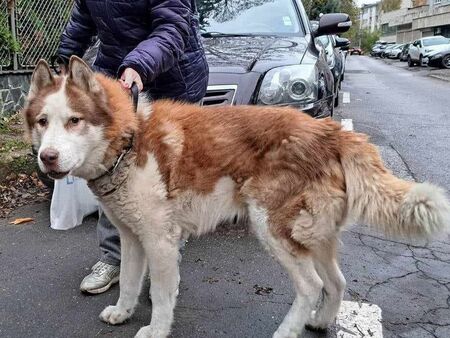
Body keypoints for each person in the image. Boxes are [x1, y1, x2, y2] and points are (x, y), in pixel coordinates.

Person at [56, 0, 209, 294]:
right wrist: (65, 55)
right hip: (117, 76)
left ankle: (165, 261)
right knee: (111, 172)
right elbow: (82, 19)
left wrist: (138, 63)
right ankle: (114, 257)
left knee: (168, 180)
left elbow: (173, 25)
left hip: (174, 81)